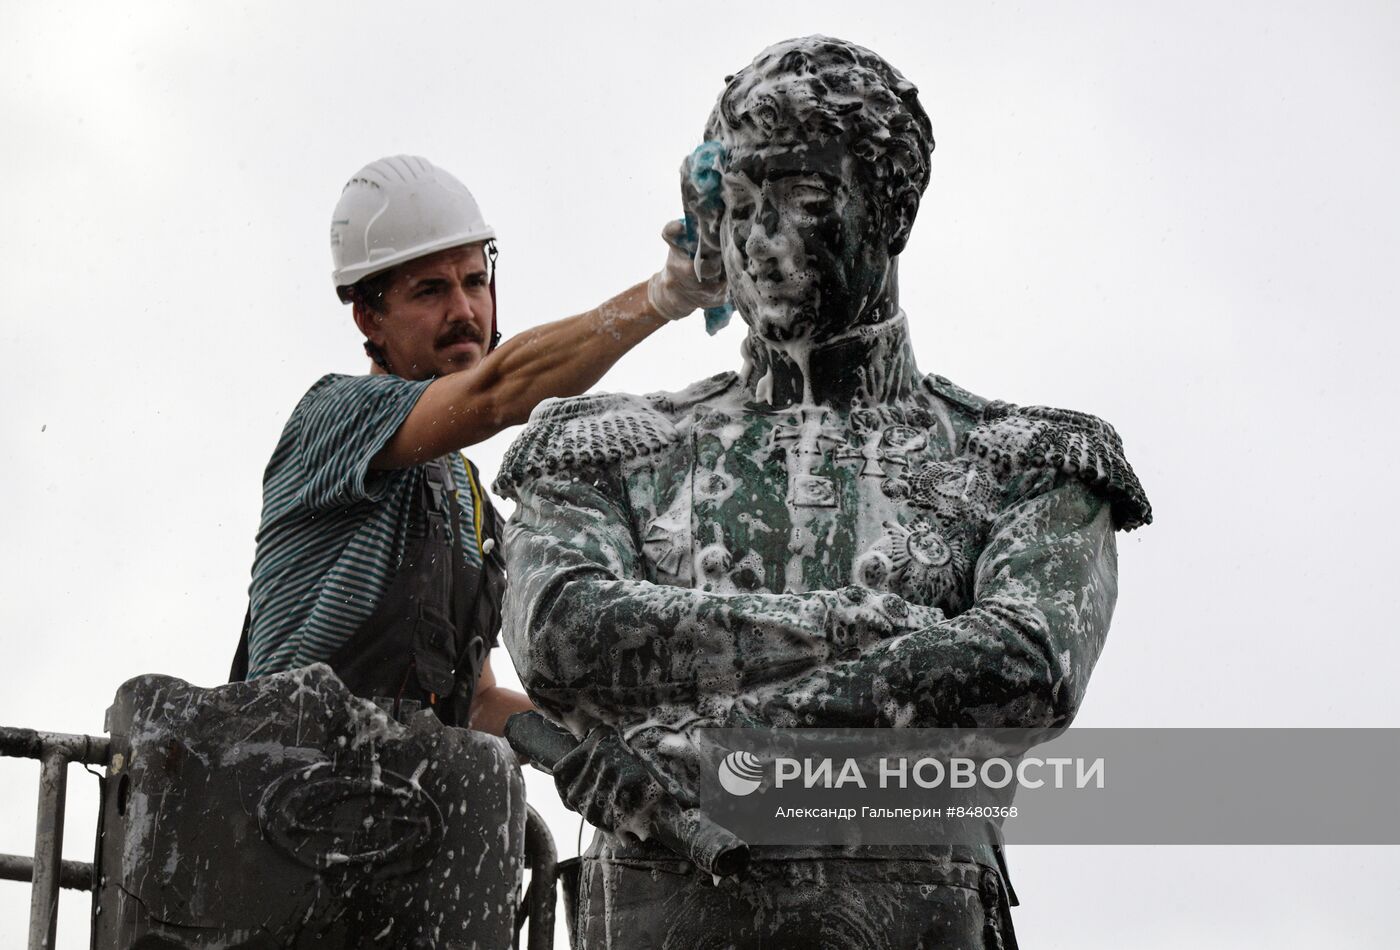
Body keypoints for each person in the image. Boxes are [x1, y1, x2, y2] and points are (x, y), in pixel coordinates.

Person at [496, 37, 1151, 947]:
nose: (762, 243)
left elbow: (1025, 666)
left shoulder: (1023, 459)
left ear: (893, 207)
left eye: (801, 202)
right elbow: (566, 638)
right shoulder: (608, 449)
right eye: (738, 207)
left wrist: (728, 741)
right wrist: (866, 630)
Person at [233, 154, 725, 736]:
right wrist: (661, 296)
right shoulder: (334, 419)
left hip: (398, 800)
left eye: (474, 282)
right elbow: (497, 393)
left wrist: (617, 738)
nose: (464, 310)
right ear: (369, 316)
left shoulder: (467, 500)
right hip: (285, 779)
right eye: (430, 291)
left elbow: (475, 700)